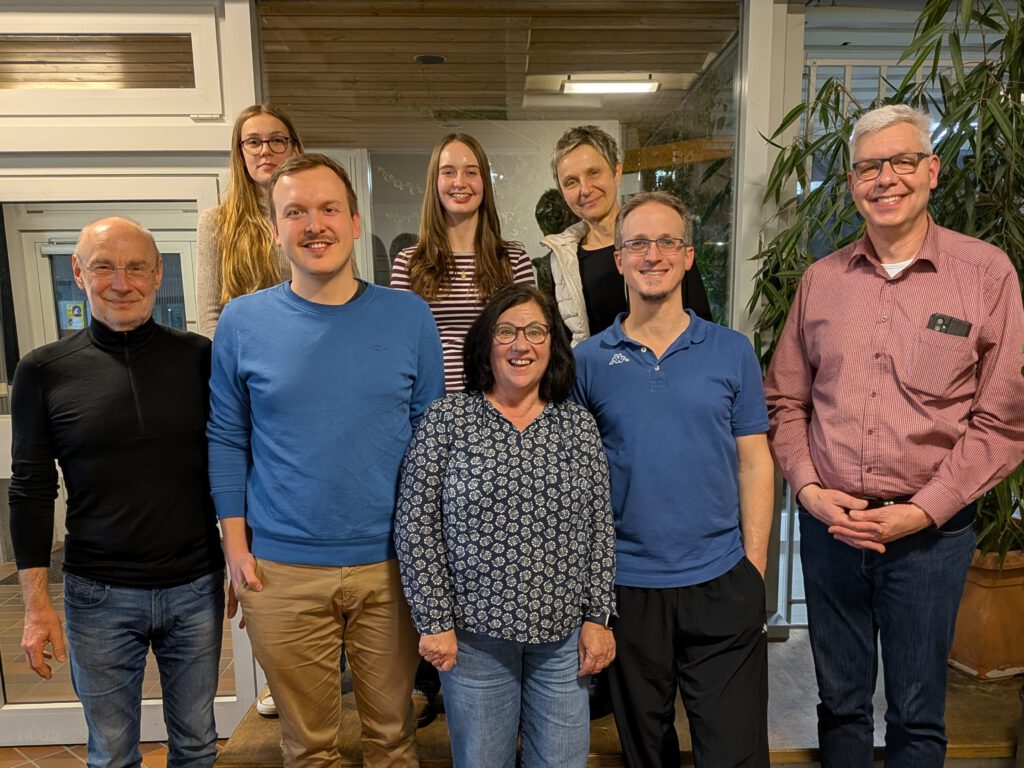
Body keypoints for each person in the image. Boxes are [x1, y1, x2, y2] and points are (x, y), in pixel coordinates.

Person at [764, 104, 1024, 768]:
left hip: (929, 540)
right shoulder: (822, 281)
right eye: (868, 166)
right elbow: (785, 401)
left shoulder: (985, 274)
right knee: (840, 704)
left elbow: (1002, 422)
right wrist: (810, 492)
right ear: (852, 181)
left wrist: (922, 511)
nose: (886, 178)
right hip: (831, 531)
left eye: (902, 161)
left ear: (931, 169)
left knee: (916, 712)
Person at [207, 153, 445, 767]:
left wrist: (431, 556)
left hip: (392, 567)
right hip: (281, 571)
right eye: (296, 212)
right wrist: (236, 549)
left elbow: (432, 441)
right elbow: (227, 437)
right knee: (308, 748)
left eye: (329, 209)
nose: (314, 225)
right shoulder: (243, 321)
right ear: (275, 230)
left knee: (393, 740)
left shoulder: (408, 315)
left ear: (355, 222)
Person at [9, 217, 225, 767]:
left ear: (158, 275)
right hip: (97, 594)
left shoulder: (201, 359)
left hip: (195, 585)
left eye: (136, 268)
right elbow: (31, 489)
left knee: (197, 745)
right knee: (110, 753)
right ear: (79, 272)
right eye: (104, 266)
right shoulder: (42, 371)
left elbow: (235, 461)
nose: (121, 283)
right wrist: (36, 606)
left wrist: (244, 557)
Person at [573, 192, 773, 767]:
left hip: (721, 578)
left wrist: (753, 570)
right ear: (619, 259)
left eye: (667, 242)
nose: (652, 255)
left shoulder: (732, 351)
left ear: (688, 257)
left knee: (734, 753)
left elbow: (755, 462)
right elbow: (579, 481)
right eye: (637, 243)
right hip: (628, 587)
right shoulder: (588, 361)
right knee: (645, 754)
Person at [395, 283, 616, 768]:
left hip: (562, 641)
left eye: (536, 331)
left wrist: (598, 618)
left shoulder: (577, 426)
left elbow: (601, 529)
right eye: (506, 332)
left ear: (553, 344)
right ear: (485, 344)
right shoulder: (446, 420)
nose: (522, 345)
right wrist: (434, 621)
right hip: (473, 642)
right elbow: (416, 527)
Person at [543, 125, 712, 345]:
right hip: (595, 367)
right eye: (571, 182)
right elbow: (561, 346)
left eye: (593, 173)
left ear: (616, 171)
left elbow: (702, 326)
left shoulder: (664, 243)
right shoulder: (561, 262)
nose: (585, 189)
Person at [391, 133, 535, 392]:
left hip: (499, 400)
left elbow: (527, 341)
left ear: (484, 182)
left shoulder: (514, 260)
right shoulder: (408, 263)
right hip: (430, 403)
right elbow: (401, 346)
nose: (459, 182)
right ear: (435, 182)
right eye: (448, 172)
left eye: (471, 172)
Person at [196, 103, 303, 338]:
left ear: (294, 150)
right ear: (241, 154)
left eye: (277, 140)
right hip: (246, 354)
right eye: (254, 142)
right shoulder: (216, 222)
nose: (265, 151)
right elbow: (210, 317)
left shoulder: (316, 219)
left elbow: (346, 289)